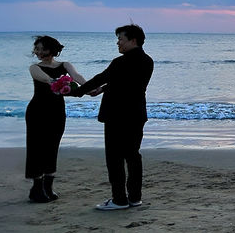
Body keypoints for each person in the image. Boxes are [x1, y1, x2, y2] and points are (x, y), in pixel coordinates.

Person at [73, 24, 154, 210]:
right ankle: (134, 197)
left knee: (114, 158)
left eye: (120, 39)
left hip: (117, 115)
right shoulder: (147, 61)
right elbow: (128, 83)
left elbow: (101, 77)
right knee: (133, 156)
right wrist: (102, 89)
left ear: (133, 40)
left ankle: (119, 199)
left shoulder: (120, 62)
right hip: (136, 114)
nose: (118, 43)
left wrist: (75, 92)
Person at [25, 35, 86, 203]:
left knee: (52, 146)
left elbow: (77, 76)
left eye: (42, 49)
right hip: (37, 111)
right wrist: (60, 83)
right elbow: (47, 80)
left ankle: (48, 186)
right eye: (36, 49)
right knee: (36, 147)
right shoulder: (35, 68)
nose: (38, 52)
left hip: (56, 111)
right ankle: (36, 188)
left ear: (52, 50)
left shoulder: (65, 65)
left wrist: (89, 88)